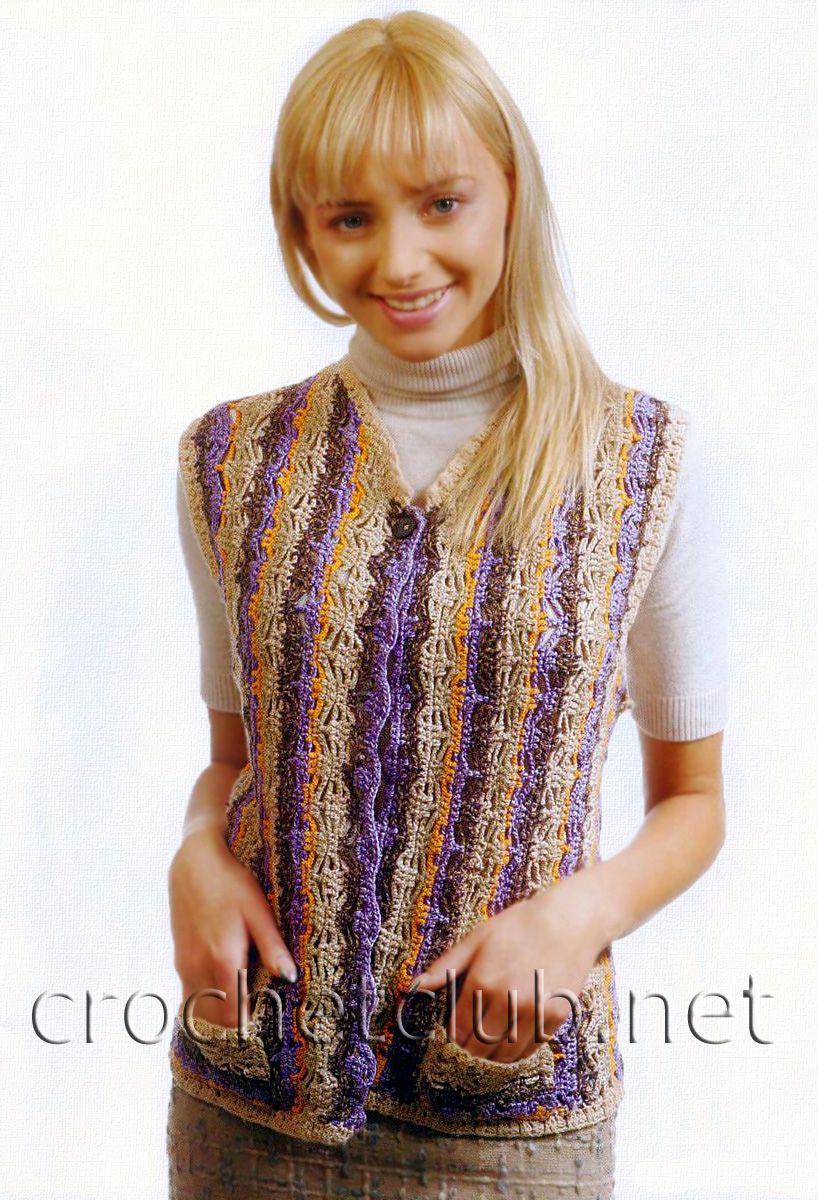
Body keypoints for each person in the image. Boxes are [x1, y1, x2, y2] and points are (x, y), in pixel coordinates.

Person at [165, 12, 729, 1199]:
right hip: (249, 1101)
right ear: (299, 227)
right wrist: (196, 855)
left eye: (440, 203)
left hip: (508, 1111)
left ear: (510, 191)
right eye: (348, 218)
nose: (399, 260)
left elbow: (693, 802)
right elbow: (233, 763)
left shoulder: (635, 461)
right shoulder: (232, 460)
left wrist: (577, 918)